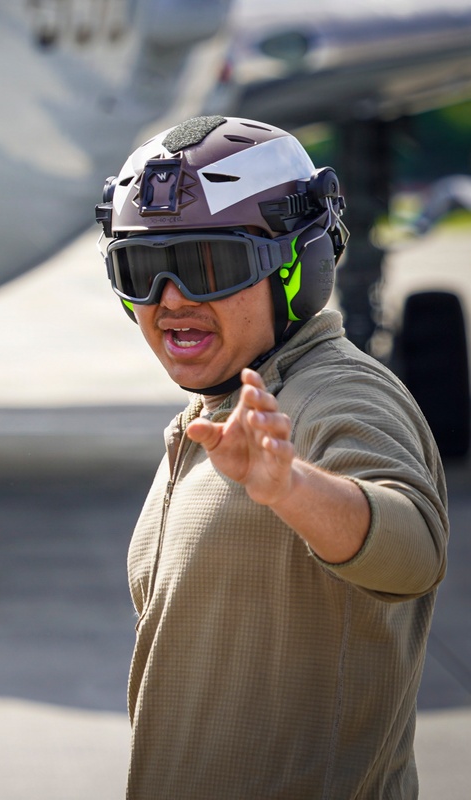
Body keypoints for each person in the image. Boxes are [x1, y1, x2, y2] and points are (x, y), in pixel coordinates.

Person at [94, 116, 448, 798]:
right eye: (139, 268)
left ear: (297, 266)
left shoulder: (337, 394)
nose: (170, 300)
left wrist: (291, 488)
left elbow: (413, 551)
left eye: (208, 266)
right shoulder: (223, 411)